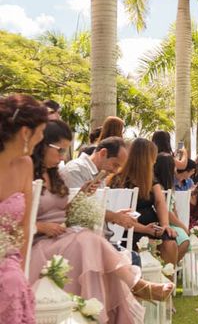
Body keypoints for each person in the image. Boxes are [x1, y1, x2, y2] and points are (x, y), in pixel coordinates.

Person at [30, 121, 172, 323]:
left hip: (64, 236)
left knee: (92, 245)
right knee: (89, 241)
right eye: (59, 150)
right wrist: (41, 226)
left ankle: (133, 290)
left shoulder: (55, 175)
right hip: (40, 242)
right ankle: (138, 286)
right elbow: (17, 217)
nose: (63, 157)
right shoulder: (29, 173)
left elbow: (65, 212)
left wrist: (81, 195)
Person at [0, 94, 49, 323]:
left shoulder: (26, 165)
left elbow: (23, 230)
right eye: (41, 132)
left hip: (6, 260)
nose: (42, 138)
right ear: (26, 133)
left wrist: (19, 269)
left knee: (12, 281)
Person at [59, 136, 141, 265]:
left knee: (133, 258)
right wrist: (114, 217)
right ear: (103, 153)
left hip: (99, 240)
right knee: (133, 260)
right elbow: (76, 210)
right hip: (82, 242)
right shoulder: (75, 170)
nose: (115, 171)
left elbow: (92, 208)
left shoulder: (99, 173)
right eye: (115, 164)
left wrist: (116, 216)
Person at [109, 138, 181, 270]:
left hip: (152, 226)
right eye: (153, 157)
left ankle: (167, 279)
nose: (154, 161)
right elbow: (119, 215)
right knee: (146, 242)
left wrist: (165, 225)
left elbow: (160, 202)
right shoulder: (119, 180)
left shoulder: (151, 179)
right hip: (130, 228)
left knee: (170, 243)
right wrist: (144, 229)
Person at [154, 153, 190, 262]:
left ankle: (171, 267)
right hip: (162, 221)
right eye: (173, 165)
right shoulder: (159, 187)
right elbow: (167, 212)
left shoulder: (169, 185)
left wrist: (180, 224)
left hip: (171, 222)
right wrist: (183, 226)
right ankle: (168, 267)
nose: (176, 168)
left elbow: (173, 209)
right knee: (183, 238)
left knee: (184, 238)